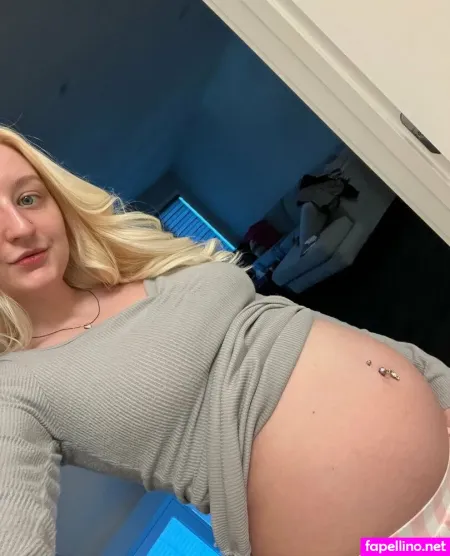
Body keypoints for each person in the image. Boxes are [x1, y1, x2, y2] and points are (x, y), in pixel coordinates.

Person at [0, 126, 449, 556]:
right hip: (388, 546)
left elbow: (287, 325)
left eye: (28, 198)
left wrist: (433, 380)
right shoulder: (14, 385)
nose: (20, 226)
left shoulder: (139, 266)